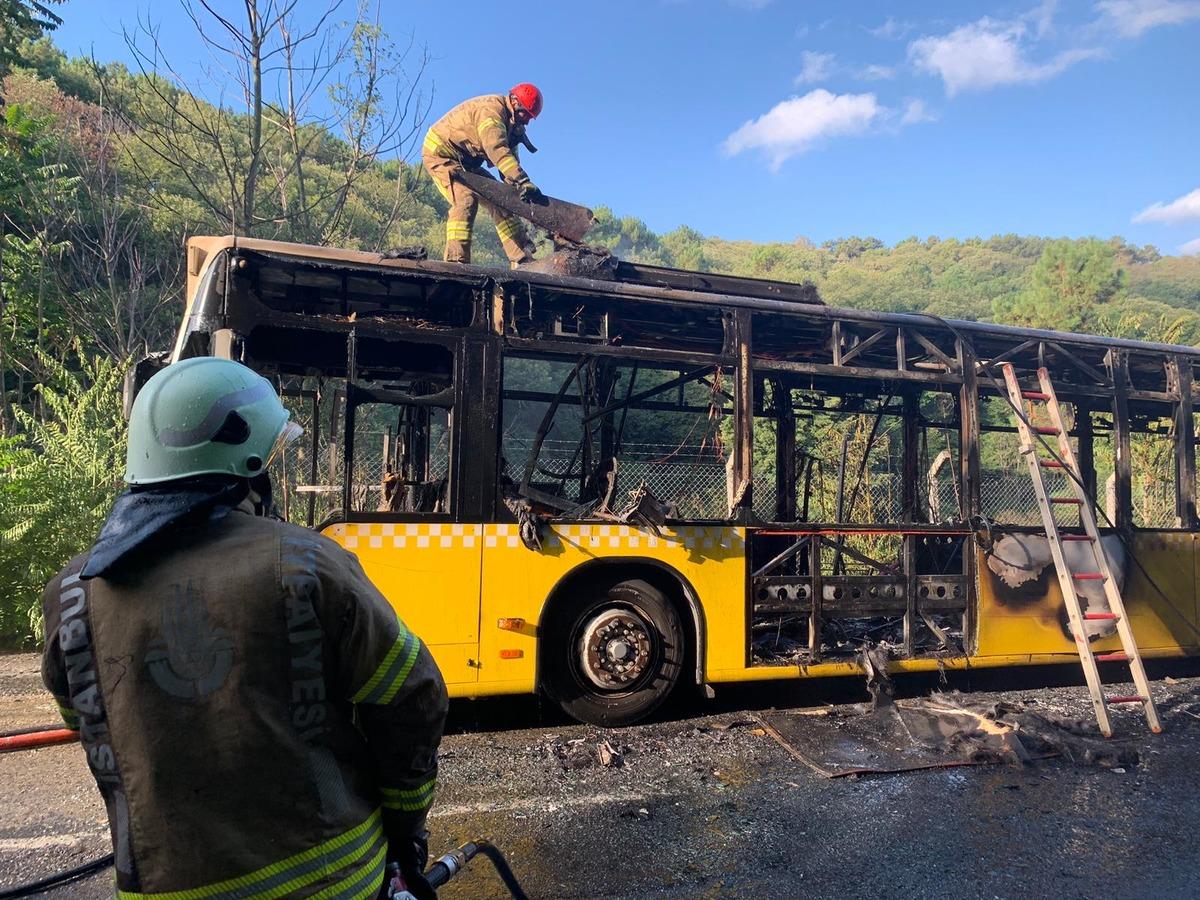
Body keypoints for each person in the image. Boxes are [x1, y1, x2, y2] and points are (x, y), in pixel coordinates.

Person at [40, 357, 448, 899]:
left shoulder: (70, 594)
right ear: (249, 465)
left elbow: (94, 728)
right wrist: (405, 829)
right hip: (330, 883)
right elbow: (414, 697)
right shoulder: (306, 564)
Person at [422, 83, 544, 267]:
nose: (527, 121)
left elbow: (509, 163)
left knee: (502, 200)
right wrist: (523, 180)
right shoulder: (491, 111)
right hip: (441, 154)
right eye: (525, 114)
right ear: (514, 102)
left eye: (530, 117)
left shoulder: (513, 126)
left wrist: (518, 189)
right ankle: (456, 263)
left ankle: (523, 261)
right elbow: (497, 149)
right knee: (465, 199)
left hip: (467, 163)